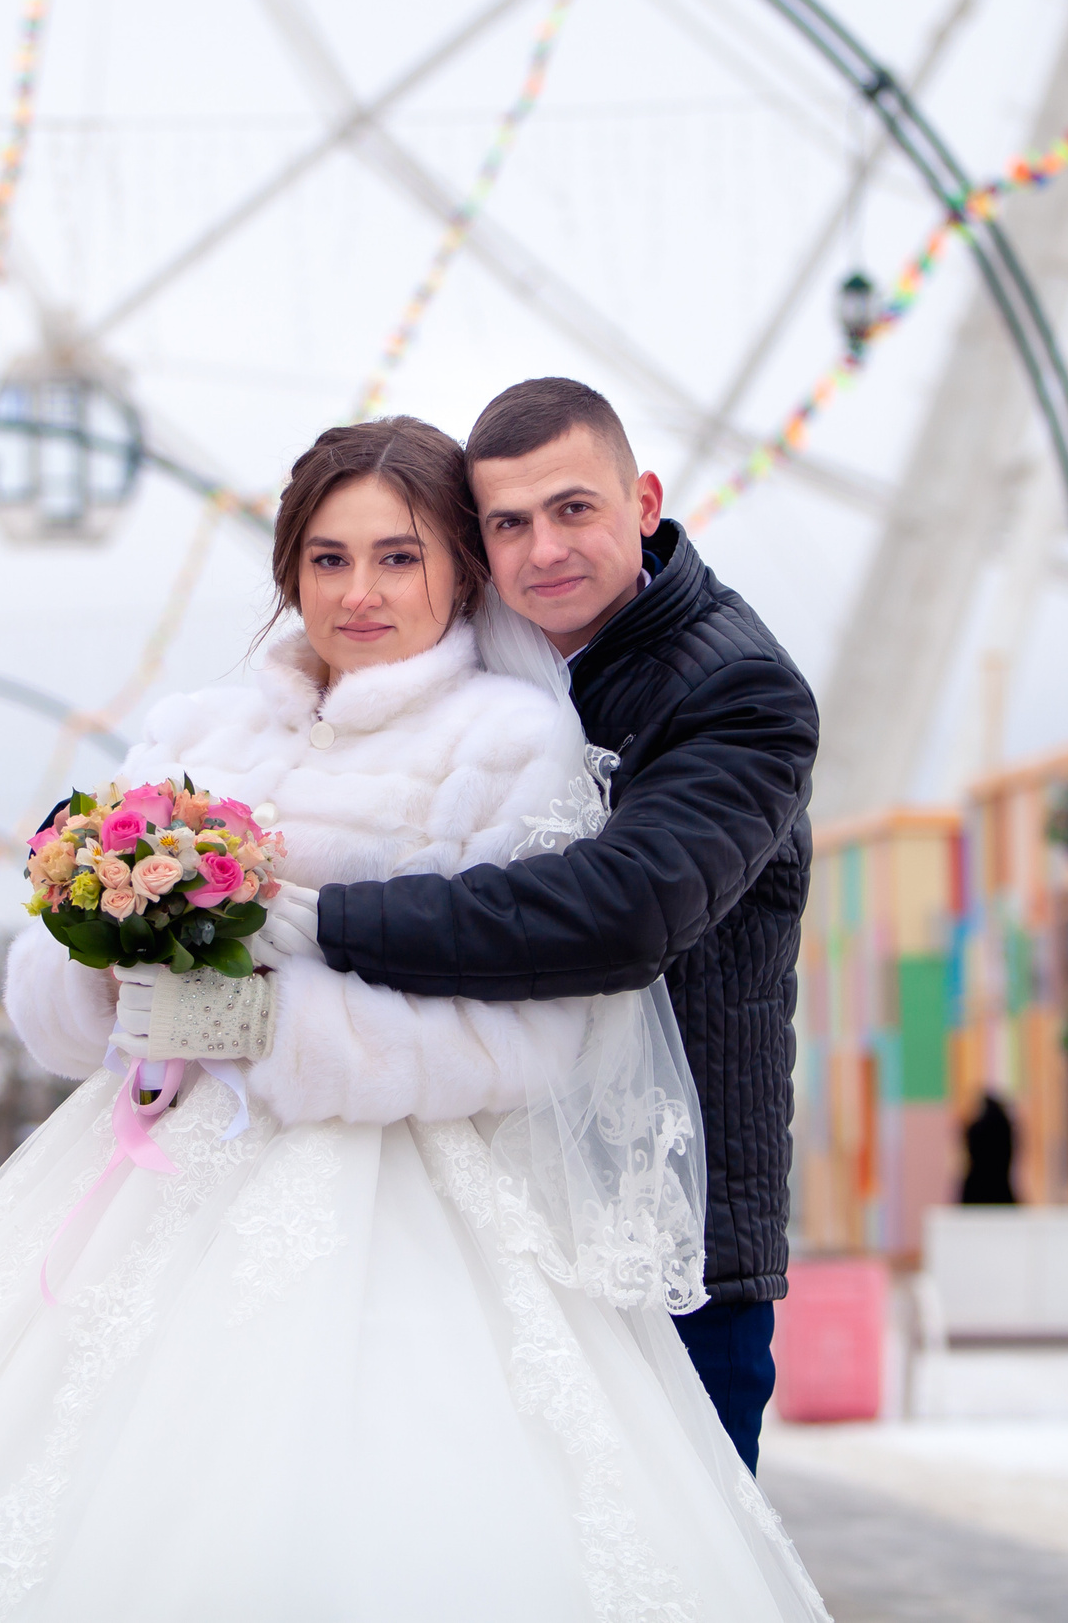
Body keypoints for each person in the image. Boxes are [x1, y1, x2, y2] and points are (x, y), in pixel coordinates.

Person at [0, 417, 826, 1621]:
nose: (361, 592)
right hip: (153, 1198)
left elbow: (543, 1019)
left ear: (455, 572)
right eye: (328, 559)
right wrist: (111, 978)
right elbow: (56, 981)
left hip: (416, 1217)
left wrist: (261, 1022)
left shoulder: (511, 742)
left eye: (398, 557)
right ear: (288, 572)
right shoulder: (196, 737)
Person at [313, 378, 820, 1474]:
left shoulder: (738, 692)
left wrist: (325, 924)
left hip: (669, 1247)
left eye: (573, 508)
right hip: (499, 1226)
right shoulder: (497, 670)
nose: (543, 548)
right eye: (508, 523)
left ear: (642, 501)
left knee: (674, 1572)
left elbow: (621, 915)